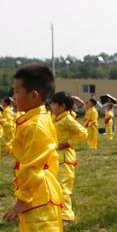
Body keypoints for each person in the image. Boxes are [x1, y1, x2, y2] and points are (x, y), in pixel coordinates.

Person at [2, 64, 64, 232]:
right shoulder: (32, 119)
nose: (14, 96)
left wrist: (21, 201)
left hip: (38, 195)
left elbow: (32, 168)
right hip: (38, 194)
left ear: (34, 95)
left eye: (17, 92)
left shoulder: (36, 124)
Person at [49, 91, 88, 223]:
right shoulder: (56, 117)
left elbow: (83, 133)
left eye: (54, 104)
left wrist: (67, 143)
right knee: (54, 186)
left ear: (62, 106)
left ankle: (66, 216)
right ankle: (56, 211)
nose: (51, 106)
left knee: (63, 188)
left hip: (65, 158)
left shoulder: (67, 119)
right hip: (54, 157)